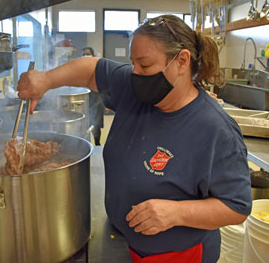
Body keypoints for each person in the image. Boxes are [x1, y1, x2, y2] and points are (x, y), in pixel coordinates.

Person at [18, 15, 252, 263]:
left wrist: (176, 213)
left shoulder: (215, 129)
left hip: (175, 255)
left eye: (145, 65)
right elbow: (91, 70)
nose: (135, 73)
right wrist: (46, 80)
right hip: (121, 238)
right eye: (133, 64)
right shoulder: (133, 88)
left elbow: (236, 207)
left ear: (181, 61)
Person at [82, 46, 106, 145]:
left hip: (97, 100)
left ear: (93, 55)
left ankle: (97, 143)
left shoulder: (99, 67)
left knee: (96, 125)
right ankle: (87, 144)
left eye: (87, 54)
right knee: (85, 125)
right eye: (83, 55)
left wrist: (107, 102)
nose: (85, 56)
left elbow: (105, 84)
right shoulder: (80, 69)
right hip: (85, 101)